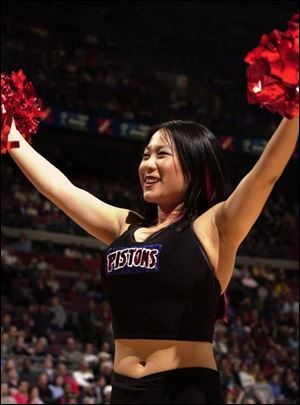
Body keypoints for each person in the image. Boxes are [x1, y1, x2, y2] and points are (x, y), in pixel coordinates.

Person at [6, 114, 299, 404]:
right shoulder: (124, 225)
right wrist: (9, 128)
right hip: (123, 391)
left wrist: (294, 109)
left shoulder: (215, 227)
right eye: (146, 155)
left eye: (162, 154)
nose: (148, 164)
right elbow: (58, 189)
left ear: (194, 164)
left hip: (186, 391)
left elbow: (265, 175)